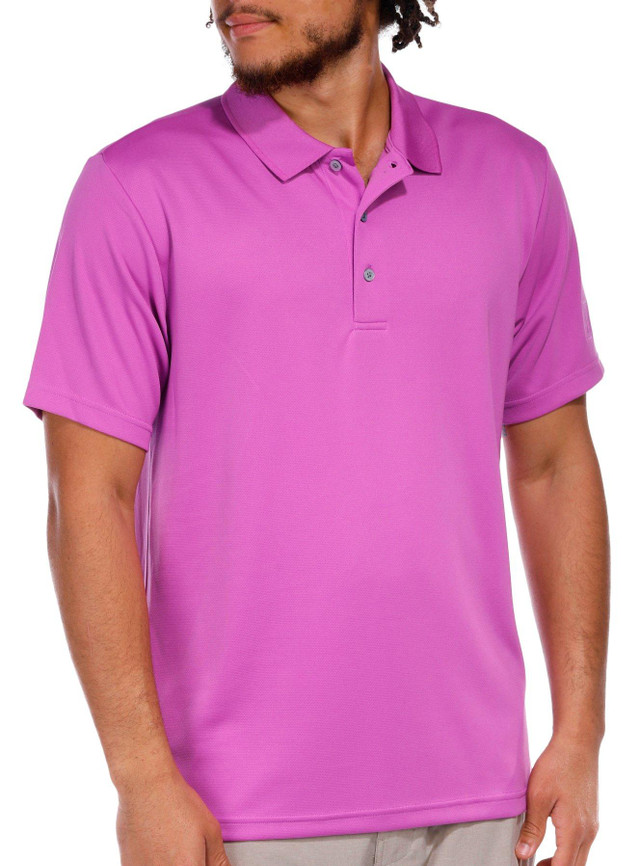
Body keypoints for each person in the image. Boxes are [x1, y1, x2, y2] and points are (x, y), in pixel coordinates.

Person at [22, 1, 609, 864]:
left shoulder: (512, 176)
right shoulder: (134, 188)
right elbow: (87, 496)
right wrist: (141, 778)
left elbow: (554, 465)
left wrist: (582, 729)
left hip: (483, 797)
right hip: (232, 813)